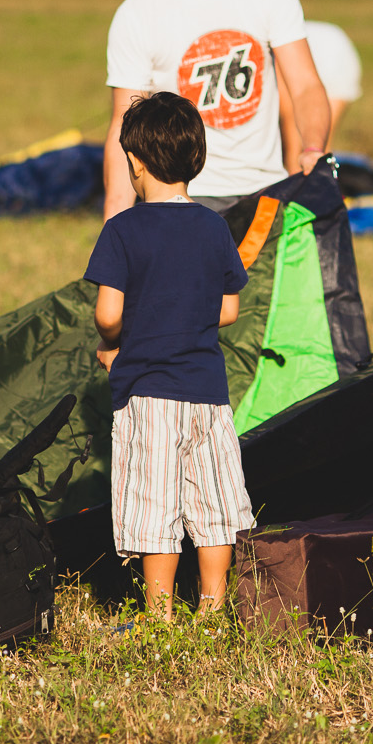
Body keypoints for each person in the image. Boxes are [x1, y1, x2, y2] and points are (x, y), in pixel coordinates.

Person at [85, 92, 253, 615]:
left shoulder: (122, 229)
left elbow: (108, 314)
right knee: (214, 505)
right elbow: (227, 311)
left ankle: (158, 614)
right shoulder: (213, 226)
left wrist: (112, 346)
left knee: (155, 505)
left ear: (135, 163)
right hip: (208, 396)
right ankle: (212, 609)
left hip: (147, 395)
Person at [103, 0, 330, 216]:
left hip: (265, 193)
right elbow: (123, 124)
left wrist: (313, 149)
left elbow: (304, 86)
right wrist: (115, 229)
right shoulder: (136, 13)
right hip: (180, 201)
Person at [276, 19, 361, 173]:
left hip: (307, 53)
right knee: (322, 148)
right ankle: (322, 189)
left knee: (293, 148)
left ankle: (295, 191)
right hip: (339, 49)